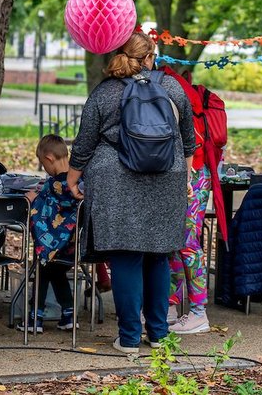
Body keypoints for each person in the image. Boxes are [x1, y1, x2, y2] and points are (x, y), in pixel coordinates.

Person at [67, 32, 195, 354]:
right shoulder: (172, 87)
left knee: (125, 256)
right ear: (151, 56)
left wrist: (72, 178)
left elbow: (84, 143)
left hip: (116, 179)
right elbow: (188, 139)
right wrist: (185, 175)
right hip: (168, 176)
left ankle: (128, 339)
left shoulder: (105, 92)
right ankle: (159, 334)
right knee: (158, 255)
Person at [159, 67, 212, 335]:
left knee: (188, 244)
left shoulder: (169, 89)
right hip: (186, 174)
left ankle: (199, 312)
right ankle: (171, 304)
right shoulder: (170, 86)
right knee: (175, 243)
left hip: (194, 175)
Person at [22, 134, 80, 333]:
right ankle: (68, 314)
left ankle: (34, 317)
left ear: (49, 158)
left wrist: (28, 200)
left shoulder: (51, 186)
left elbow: (39, 213)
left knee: (44, 264)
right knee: (55, 269)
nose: (43, 168)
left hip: (52, 242)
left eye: (41, 163)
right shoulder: (77, 184)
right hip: (74, 244)